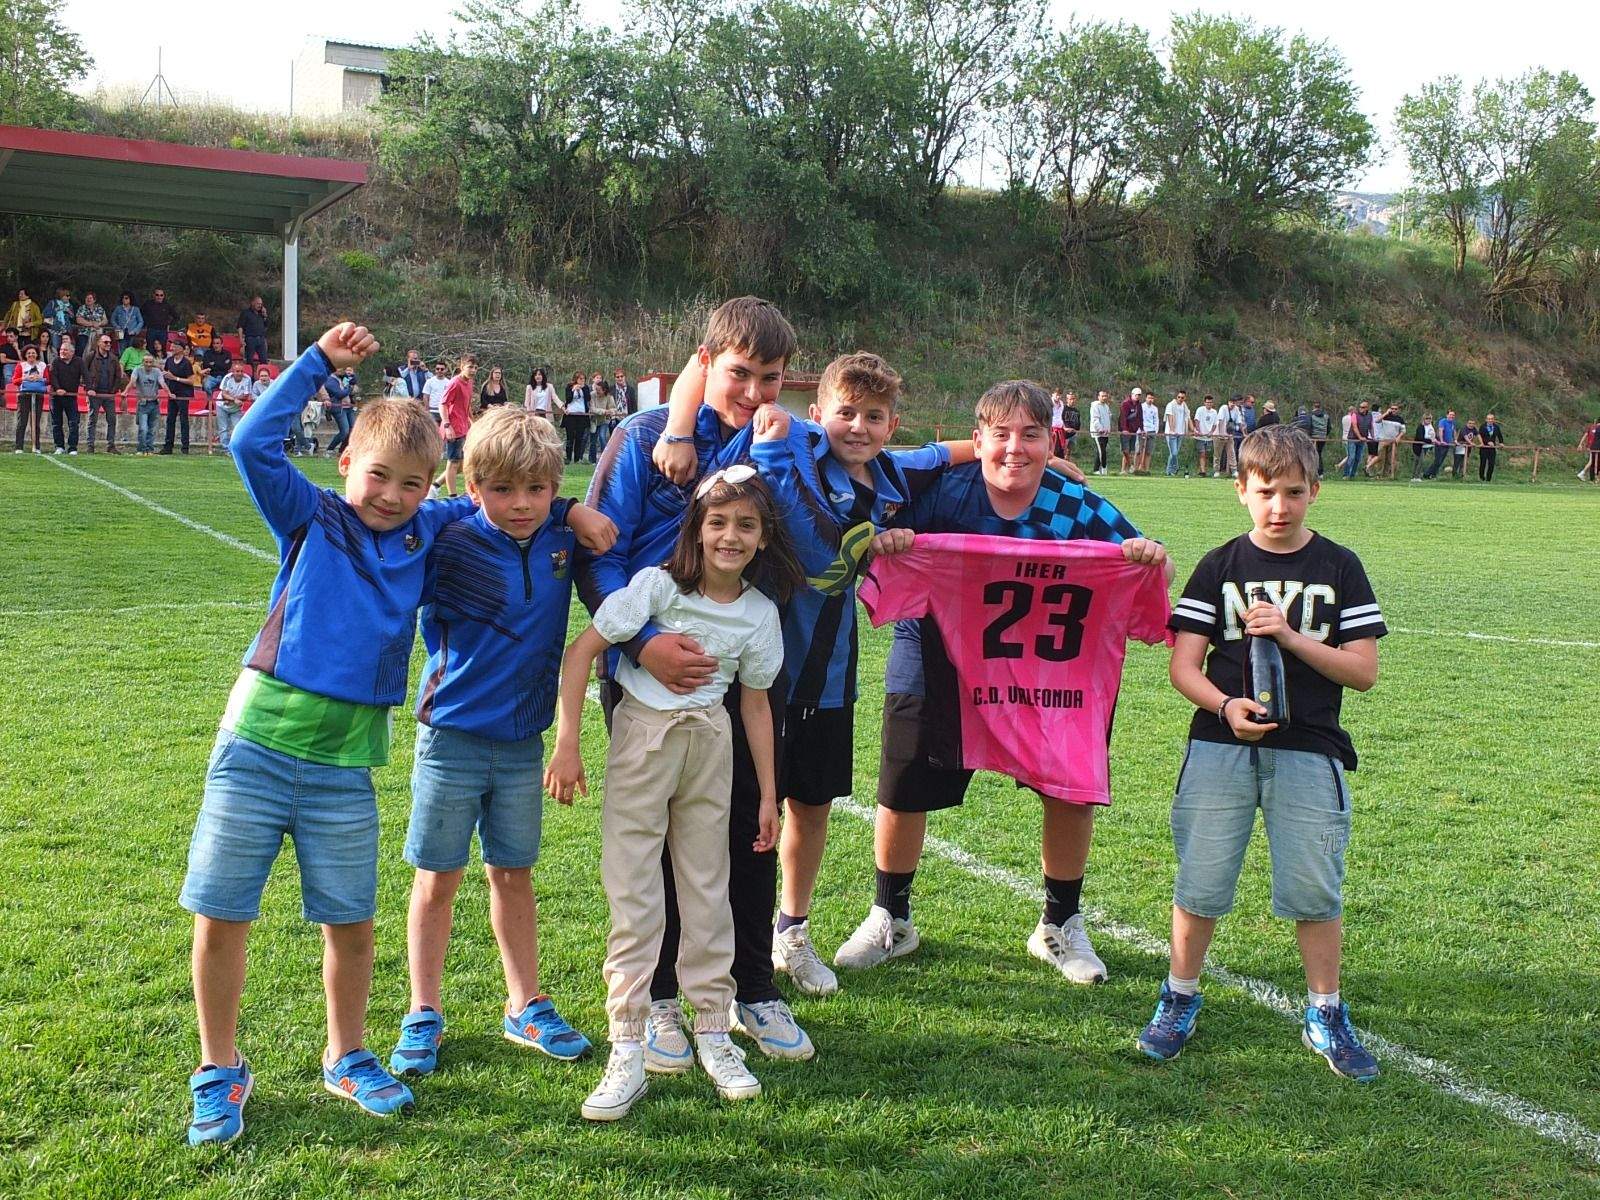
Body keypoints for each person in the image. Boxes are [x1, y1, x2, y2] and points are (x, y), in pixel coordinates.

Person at [832, 380, 1169, 988]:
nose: (1016, 448)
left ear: (1051, 440)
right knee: (903, 781)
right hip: (937, 650)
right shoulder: (940, 492)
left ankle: (1059, 923)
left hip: (1048, 665)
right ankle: (891, 914)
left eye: (1032, 435)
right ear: (978, 437)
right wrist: (894, 543)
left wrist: (1147, 556)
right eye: (1002, 434)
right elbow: (872, 515)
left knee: (1069, 782)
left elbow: (1147, 560)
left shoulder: (1074, 504)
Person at [580, 296, 840, 1071]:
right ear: (705, 363)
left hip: (747, 666)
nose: (755, 390)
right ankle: (661, 998)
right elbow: (601, 553)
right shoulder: (644, 437)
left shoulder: (783, 442)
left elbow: (887, 464)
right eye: (739, 373)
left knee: (749, 833)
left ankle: (750, 987)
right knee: (657, 839)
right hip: (647, 673)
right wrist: (648, 641)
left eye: (771, 377)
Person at [550, 468, 800, 1121]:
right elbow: (582, 654)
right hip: (644, 742)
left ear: (763, 537)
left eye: (746, 525)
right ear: (696, 529)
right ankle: (628, 1047)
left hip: (710, 747)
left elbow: (754, 706)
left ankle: (716, 1034)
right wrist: (569, 741)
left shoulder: (759, 612)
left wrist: (770, 793)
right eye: (717, 523)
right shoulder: (656, 587)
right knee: (636, 894)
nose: (730, 536)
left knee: (707, 888)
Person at [1140, 424, 1384, 1083]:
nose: (1280, 506)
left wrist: (1290, 635)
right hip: (1221, 747)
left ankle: (1325, 1011)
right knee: (1202, 880)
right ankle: (1179, 996)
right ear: (1241, 491)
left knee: (1314, 888)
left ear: (1316, 491)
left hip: (1309, 749)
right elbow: (1183, 666)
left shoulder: (1338, 566)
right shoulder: (1220, 565)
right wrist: (1224, 706)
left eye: (1295, 492)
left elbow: (1363, 671)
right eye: (1266, 491)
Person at [389, 408, 600, 1086]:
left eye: (538, 490)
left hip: (521, 744)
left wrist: (569, 507)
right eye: (504, 490)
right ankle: (423, 1010)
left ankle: (525, 1003)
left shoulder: (561, 539)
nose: (522, 505)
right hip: (449, 736)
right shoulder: (449, 536)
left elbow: (558, 509)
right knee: (437, 880)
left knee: (513, 873)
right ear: (475, 485)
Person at [434, 354, 477, 496]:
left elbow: (467, 405)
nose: (473, 370)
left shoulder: (469, 382)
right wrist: (447, 425)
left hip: (464, 427)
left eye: (475, 368)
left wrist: (473, 423)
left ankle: (435, 485)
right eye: (470, 367)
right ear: (462, 367)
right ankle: (453, 496)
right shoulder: (454, 383)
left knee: (463, 464)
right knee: (453, 463)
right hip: (453, 428)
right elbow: (443, 404)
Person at [82, 333, 125, 453]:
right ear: (99, 343)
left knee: (112, 420)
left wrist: (114, 391)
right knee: (92, 420)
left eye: (110, 342)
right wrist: (89, 388)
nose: (108, 345)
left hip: (108, 394)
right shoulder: (90, 356)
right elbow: (84, 373)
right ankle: (90, 445)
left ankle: (111, 445)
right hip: (94, 393)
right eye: (106, 342)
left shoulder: (113, 358)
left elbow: (118, 376)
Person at [49, 337, 84, 454]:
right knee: (56, 423)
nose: (62, 352)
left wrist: (90, 389)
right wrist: (58, 389)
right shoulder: (56, 361)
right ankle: (59, 446)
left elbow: (86, 375)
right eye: (61, 350)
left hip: (71, 397)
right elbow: (52, 377)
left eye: (65, 350)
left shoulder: (79, 361)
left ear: (72, 352)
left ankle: (73, 447)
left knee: (73, 422)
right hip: (56, 397)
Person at [11, 345, 48, 453]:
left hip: (38, 395)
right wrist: (25, 378)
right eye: (29, 353)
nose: (31, 355)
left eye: (33, 353)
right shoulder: (21, 365)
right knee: (22, 421)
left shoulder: (42, 365)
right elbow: (14, 380)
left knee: (36, 422)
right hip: (24, 395)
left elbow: (48, 380)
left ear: (37, 354)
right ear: (25, 355)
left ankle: (36, 446)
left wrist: (39, 378)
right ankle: (19, 447)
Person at [161, 342, 196, 454]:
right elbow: (166, 374)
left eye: (175, 346)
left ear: (181, 348)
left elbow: (191, 381)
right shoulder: (169, 361)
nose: (172, 348)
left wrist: (175, 378)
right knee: (170, 419)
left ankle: (185, 447)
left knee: (183, 420)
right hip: (172, 393)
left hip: (183, 394)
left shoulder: (186, 363)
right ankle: (168, 446)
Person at [129, 351, 165, 455]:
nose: (148, 364)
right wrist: (126, 391)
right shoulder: (137, 370)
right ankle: (141, 449)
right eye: (146, 362)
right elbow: (132, 381)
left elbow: (162, 383)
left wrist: (169, 392)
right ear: (143, 362)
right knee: (143, 428)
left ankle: (150, 449)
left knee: (152, 429)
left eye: (150, 362)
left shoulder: (157, 371)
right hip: (142, 403)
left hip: (154, 403)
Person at [215, 361, 254, 453]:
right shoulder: (227, 378)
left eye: (241, 371)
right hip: (222, 405)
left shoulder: (247, 379)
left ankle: (234, 448)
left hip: (235, 407)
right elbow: (224, 394)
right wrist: (233, 400)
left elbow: (246, 395)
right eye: (237, 371)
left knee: (237, 428)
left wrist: (232, 399)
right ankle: (226, 449)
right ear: (233, 372)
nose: (239, 373)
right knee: (223, 428)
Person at [323, 366, 358, 457]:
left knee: (353, 430)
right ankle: (330, 449)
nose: (341, 370)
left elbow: (352, 389)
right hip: (339, 408)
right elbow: (340, 394)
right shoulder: (330, 380)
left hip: (348, 407)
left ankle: (343, 449)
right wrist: (350, 388)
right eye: (339, 368)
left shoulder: (342, 379)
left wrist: (352, 383)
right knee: (344, 431)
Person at [562, 371, 590, 464]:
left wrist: (583, 389)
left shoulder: (585, 388)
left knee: (579, 437)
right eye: (580, 379)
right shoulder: (569, 387)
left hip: (581, 414)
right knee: (570, 437)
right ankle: (568, 458)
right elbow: (568, 399)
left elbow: (588, 398)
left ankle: (577, 459)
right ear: (576, 379)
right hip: (571, 414)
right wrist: (573, 390)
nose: (582, 381)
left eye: (583, 379)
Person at [141, 288, 177, 358]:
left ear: (163, 296)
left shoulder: (167, 305)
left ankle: (162, 363)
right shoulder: (148, 304)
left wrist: (169, 323)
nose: (159, 297)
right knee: (150, 347)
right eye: (157, 295)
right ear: (153, 295)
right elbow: (140, 314)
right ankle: (149, 363)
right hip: (151, 329)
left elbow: (176, 316)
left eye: (161, 295)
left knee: (162, 348)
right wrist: (145, 322)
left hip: (163, 331)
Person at [1164, 389, 1192, 476]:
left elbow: (1188, 418)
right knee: (1174, 452)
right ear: (1176, 397)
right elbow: (1170, 417)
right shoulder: (1171, 405)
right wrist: (1172, 430)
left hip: (1180, 433)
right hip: (1171, 433)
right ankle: (1173, 469)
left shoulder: (1184, 406)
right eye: (1179, 397)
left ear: (1185, 398)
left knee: (1174, 453)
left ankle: (1170, 471)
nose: (1180, 399)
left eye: (1182, 397)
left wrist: (1193, 429)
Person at [236, 296, 270, 365]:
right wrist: (241, 339)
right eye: (258, 304)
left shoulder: (261, 314)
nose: (260, 306)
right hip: (250, 339)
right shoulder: (246, 313)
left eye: (261, 304)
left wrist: (265, 315)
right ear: (252, 303)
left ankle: (262, 374)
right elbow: (240, 326)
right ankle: (250, 375)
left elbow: (266, 326)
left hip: (261, 339)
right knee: (249, 360)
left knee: (264, 359)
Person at [43, 287, 74, 361]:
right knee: (55, 347)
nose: (68, 297)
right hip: (55, 330)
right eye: (67, 295)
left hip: (66, 331)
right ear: (61, 295)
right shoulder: (52, 303)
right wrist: (56, 310)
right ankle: (56, 363)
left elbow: (72, 317)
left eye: (69, 296)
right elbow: (45, 314)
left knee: (67, 347)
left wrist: (69, 311)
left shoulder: (69, 305)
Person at [73, 291, 107, 355]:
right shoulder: (82, 308)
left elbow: (105, 320)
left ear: (94, 300)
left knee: (99, 350)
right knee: (81, 348)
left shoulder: (99, 308)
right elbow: (79, 320)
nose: (88, 299)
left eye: (90, 298)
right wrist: (91, 324)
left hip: (97, 334)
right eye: (87, 298)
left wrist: (99, 324)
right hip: (84, 332)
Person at [1088, 389, 1112, 476]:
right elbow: (1095, 419)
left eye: (1105, 396)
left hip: (1105, 433)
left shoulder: (1106, 406)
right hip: (1098, 433)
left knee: (1102, 451)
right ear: (1098, 397)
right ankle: (1102, 469)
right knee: (1102, 451)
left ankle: (1098, 469)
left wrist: (1107, 429)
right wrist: (1100, 429)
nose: (1104, 398)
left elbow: (1108, 419)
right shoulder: (1095, 406)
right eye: (1102, 396)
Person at [1425, 410, 1454, 480]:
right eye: (1450, 415)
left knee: (1440, 461)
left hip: (1447, 444)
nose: (1452, 416)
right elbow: (1440, 430)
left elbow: (1454, 431)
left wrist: (1454, 440)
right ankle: (1427, 474)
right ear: (1447, 415)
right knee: (1437, 460)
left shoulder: (1452, 423)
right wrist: (1441, 441)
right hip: (1440, 444)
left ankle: (1433, 475)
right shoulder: (1443, 421)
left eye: (1453, 415)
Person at [422, 359, 452, 424]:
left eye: (442, 369)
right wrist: (427, 410)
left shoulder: (449, 383)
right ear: (435, 369)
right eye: (437, 369)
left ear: (446, 370)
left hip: (444, 412)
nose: (439, 371)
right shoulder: (429, 381)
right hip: (432, 411)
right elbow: (425, 396)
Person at [1118, 388, 1141, 474]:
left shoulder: (1138, 405)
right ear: (1132, 394)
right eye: (1136, 395)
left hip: (1133, 430)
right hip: (1125, 431)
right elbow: (1123, 417)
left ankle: (1127, 470)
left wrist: (1141, 428)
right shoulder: (1125, 404)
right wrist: (1124, 429)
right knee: (1125, 450)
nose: (1137, 397)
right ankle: (1126, 468)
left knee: (1130, 451)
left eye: (1139, 395)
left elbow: (1140, 418)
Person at [1138, 389, 1160, 474]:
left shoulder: (1155, 409)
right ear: (1146, 398)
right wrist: (1141, 429)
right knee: (1140, 451)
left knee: (1148, 452)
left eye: (1152, 398)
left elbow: (1156, 420)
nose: (1150, 400)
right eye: (1149, 398)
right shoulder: (1141, 406)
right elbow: (1139, 419)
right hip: (1142, 431)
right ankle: (1139, 468)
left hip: (1152, 431)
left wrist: (1155, 430)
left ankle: (1146, 469)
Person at [1308, 400, 1331, 477]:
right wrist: (1325, 434)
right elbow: (1329, 427)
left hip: (1313, 437)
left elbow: (1310, 426)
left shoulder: (1311, 415)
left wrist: (1310, 435)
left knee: (1313, 454)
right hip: (1322, 437)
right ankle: (1321, 473)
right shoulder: (1326, 416)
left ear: (1313, 406)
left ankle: (1315, 472)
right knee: (1319, 454)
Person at [1478, 413, 1504, 482]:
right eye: (1489, 419)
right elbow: (1480, 437)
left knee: (1491, 464)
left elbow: (1500, 436)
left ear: (1494, 420)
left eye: (1492, 419)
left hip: (1492, 449)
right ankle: (1481, 477)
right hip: (1484, 448)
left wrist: (1501, 443)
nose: (1490, 420)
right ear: (1486, 419)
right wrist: (1487, 442)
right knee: (1483, 463)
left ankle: (1488, 479)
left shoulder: (1496, 427)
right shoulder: (1482, 426)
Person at [1409, 412, 1434, 481]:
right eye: (1427, 418)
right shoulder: (1421, 427)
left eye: (1429, 419)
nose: (1428, 420)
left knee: (1420, 462)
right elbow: (1420, 438)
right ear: (1423, 419)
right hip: (1418, 447)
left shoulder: (1430, 426)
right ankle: (1415, 476)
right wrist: (1430, 441)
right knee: (1418, 462)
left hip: (1425, 446)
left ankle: (1416, 476)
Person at [1226, 395, 1247, 475]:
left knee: (1238, 452)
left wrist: (1244, 433)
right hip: (1232, 432)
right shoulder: (1226, 409)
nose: (1241, 403)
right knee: (1231, 452)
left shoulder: (1239, 410)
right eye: (1239, 402)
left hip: (1239, 433)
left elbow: (1240, 422)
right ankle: (1229, 471)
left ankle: (1237, 469)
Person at [1050, 389, 1068, 458]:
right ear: (1053, 394)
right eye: (1057, 395)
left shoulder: (1061, 403)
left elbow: (1060, 416)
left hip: (1060, 428)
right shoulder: (1049, 403)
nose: (1058, 397)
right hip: (1052, 429)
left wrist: (1064, 426)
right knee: (1054, 448)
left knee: (1061, 449)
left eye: (1059, 395)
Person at [1581, 417, 1600, 482]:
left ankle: (1592, 477)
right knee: (1594, 462)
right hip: (1596, 447)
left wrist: (1580, 444)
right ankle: (1593, 477)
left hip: (1592, 447)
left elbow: (1585, 435)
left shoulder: (1593, 427)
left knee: (1592, 462)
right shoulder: (1596, 428)